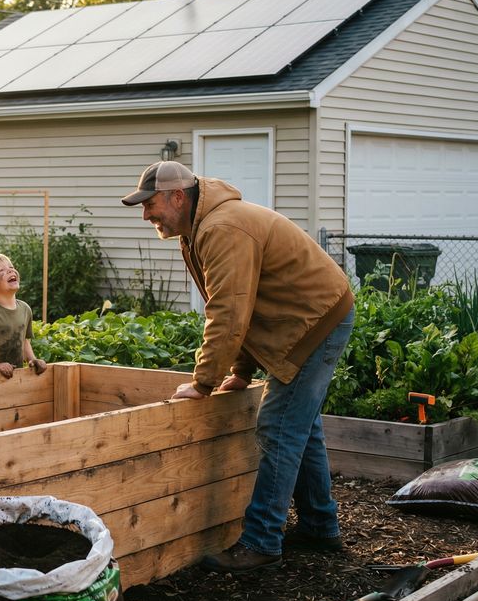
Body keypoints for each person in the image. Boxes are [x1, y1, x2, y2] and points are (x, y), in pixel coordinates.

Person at [121, 160, 355, 574]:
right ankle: (320, 526)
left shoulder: (220, 229)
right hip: (304, 319)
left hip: (316, 320)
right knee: (301, 426)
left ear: (178, 197)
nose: (146, 215)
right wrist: (242, 372)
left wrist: (204, 383)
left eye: (150, 204)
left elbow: (229, 313)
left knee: (278, 426)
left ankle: (261, 541)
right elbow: (245, 304)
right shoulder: (198, 229)